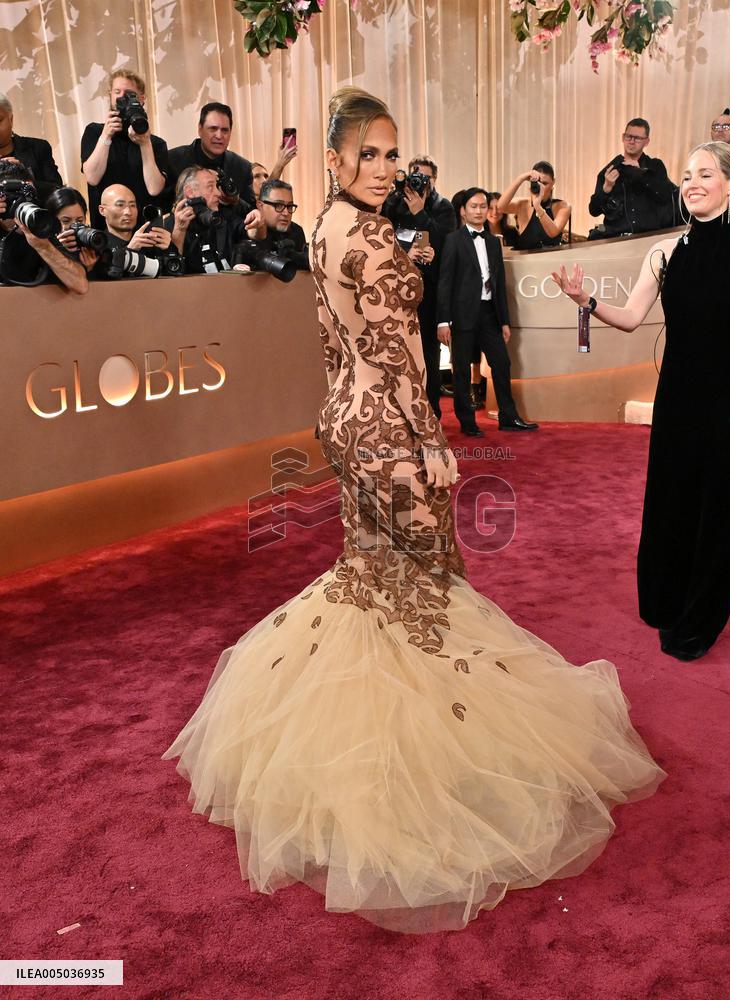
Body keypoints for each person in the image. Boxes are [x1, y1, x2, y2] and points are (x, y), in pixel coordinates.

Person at [163, 86, 665, 934]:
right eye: (369, 154)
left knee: (371, 579)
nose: (385, 168)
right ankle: (416, 771)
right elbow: (399, 356)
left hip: (341, 419)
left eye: (393, 155)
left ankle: (339, 752)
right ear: (335, 159)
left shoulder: (319, 226)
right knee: (420, 589)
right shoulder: (366, 236)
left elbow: (332, 341)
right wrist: (429, 439)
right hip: (389, 428)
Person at [552, 141, 730, 661]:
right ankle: (667, 598)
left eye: (706, 174)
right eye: (687, 175)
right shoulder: (663, 252)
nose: (692, 182)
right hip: (678, 395)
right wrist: (587, 303)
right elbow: (629, 317)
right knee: (674, 500)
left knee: (722, 508)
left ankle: (701, 617)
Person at [437, 187, 538, 435]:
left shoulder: (494, 242)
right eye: (474, 206)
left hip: (489, 313)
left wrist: (504, 320)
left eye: (484, 206)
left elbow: (499, 284)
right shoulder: (453, 240)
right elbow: (445, 282)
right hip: (462, 314)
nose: (480, 210)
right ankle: (467, 422)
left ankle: (508, 417)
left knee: (502, 364)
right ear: (463, 210)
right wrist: (442, 321)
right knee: (461, 368)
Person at [383, 154, 457, 420]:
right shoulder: (393, 202)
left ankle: (432, 412)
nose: (419, 181)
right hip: (397, 289)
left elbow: (446, 240)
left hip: (430, 289)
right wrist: (406, 251)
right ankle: (401, 413)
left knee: (428, 352)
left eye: (425, 177)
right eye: (416, 175)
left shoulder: (444, 206)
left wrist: (420, 214)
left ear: (434, 179)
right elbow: (383, 236)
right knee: (398, 350)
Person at [81, 70, 170, 229]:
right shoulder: (94, 132)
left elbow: (154, 188)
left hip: (144, 230)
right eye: (117, 92)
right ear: (110, 95)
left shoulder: (156, 144)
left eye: (129, 93)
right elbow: (92, 178)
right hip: (105, 231)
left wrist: (145, 144)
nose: (122, 97)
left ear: (141, 99)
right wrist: (106, 135)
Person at [0, 160, 87, 292]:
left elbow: (80, 284)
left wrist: (43, 246)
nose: (20, 200)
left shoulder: (41, 227)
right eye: (13, 194)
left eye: (28, 193)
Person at [588, 118, 675, 238]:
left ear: (647, 141)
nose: (632, 141)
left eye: (638, 138)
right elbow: (593, 210)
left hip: (649, 237)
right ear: (623, 138)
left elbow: (665, 195)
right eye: (629, 136)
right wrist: (606, 189)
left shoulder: (655, 166)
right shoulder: (610, 170)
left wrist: (641, 174)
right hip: (616, 239)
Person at [165, 165, 260, 273]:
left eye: (217, 187)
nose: (218, 193)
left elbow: (253, 233)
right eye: (210, 187)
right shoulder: (167, 226)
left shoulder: (224, 216)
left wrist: (258, 222)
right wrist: (179, 230)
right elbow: (171, 272)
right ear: (190, 192)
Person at [168, 102, 256, 211]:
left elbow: (252, 212)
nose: (219, 136)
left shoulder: (242, 167)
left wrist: (236, 201)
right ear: (200, 129)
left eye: (225, 130)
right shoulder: (173, 159)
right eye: (213, 129)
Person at [0, 92, 63, 201]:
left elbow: (58, 191)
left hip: (35, 215)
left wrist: (25, 181)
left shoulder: (38, 148)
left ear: (11, 119)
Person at [495, 162, 570, 250]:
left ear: (553, 182)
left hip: (552, 261)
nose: (541, 187)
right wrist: (520, 178)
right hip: (525, 261)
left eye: (545, 183)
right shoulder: (523, 204)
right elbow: (500, 207)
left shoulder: (562, 206)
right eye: (538, 183)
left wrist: (538, 207)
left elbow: (553, 233)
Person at [254, 178, 308, 268]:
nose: (286, 213)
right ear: (260, 206)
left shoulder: (296, 231)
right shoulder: (252, 231)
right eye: (278, 205)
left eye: (290, 206)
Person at [46, 187, 100, 275]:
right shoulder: (44, 248)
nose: (74, 226)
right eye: (66, 221)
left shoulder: (92, 246)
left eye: (79, 221)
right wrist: (57, 249)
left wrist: (89, 269)